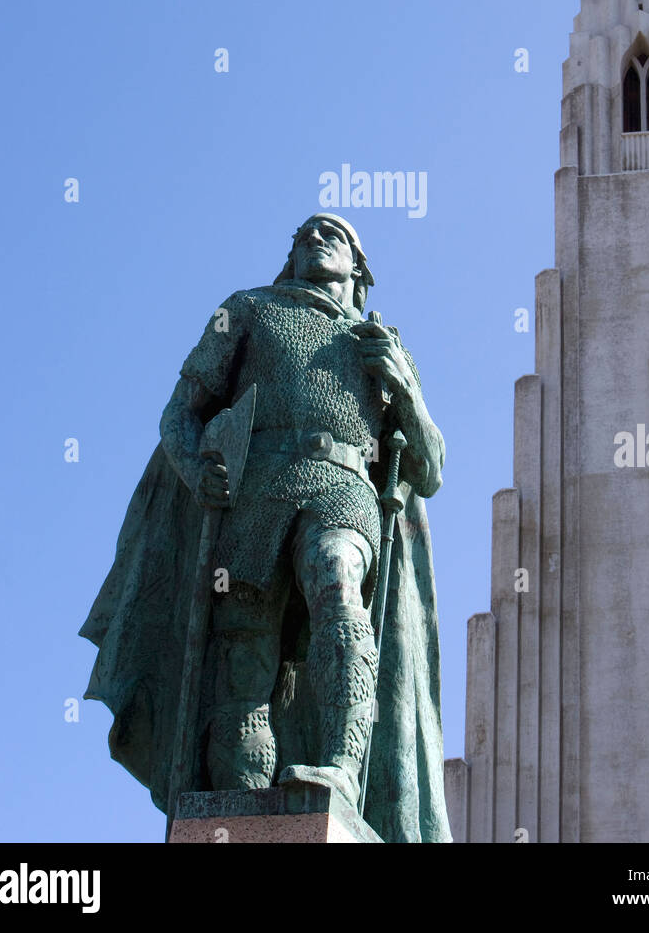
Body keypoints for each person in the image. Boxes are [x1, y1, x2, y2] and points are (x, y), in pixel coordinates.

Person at [79, 214, 451, 843]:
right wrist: (199, 470)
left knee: (337, 587)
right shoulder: (247, 309)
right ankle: (240, 801)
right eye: (303, 234)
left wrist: (406, 390)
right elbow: (179, 413)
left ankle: (341, 770)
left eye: (330, 234)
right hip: (258, 490)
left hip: (343, 485)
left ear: (359, 269)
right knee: (243, 654)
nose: (312, 239)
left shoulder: (380, 341)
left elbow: (431, 467)